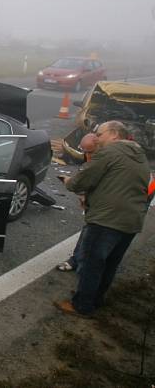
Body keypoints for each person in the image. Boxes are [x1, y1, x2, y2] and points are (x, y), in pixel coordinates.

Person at [55, 121, 150, 317]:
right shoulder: (138, 154)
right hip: (131, 221)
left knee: (92, 263)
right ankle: (95, 300)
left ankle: (81, 305)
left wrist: (68, 182)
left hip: (108, 220)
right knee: (109, 264)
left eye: (99, 134)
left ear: (114, 134)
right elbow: (116, 182)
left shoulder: (110, 152)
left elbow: (82, 180)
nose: (97, 138)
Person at [56, 133, 99, 272]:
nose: (87, 155)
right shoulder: (93, 158)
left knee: (94, 234)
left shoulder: (107, 160)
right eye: (85, 151)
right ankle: (78, 260)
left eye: (90, 151)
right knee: (89, 230)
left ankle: (85, 267)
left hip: (119, 209)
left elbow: (77, 183)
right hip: (108, 205)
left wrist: (70, 182)